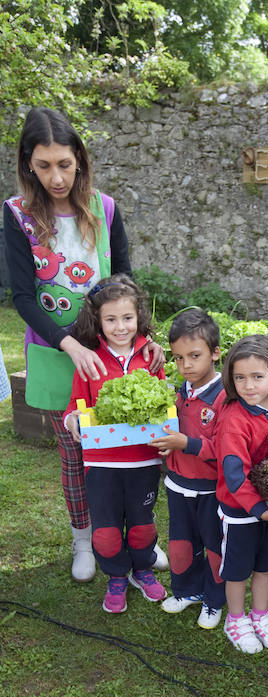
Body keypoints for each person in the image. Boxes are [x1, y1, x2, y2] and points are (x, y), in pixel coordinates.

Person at [3, 107, 165, 582]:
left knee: (133, 450)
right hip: (58, 357)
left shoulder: (105, 209)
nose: (56, 176)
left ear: (80, 161)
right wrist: (68, 344)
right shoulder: (17, 215)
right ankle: (86, 540)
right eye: (45, 165)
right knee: (77, 455)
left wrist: (145, 335)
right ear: (28, 164)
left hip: (116, 353)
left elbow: (126, 279)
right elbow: (22, 296)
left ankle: (138, 536)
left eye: (65, 164)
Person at [64, 276, 167, 613]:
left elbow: (163, 403)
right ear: (98, 321)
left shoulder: (151, 358)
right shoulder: (89, 360)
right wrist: (75, 421)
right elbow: (74, 406)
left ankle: (142, 569)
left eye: (127, 318)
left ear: (139, 318)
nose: (120, 327)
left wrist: (167, 431)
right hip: (102, 465)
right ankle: (116, 576)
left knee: (141, 524)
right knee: (106, 532)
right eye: (111, 319)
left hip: (143, 462)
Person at [149, 309, 227, 629]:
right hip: (178, 484)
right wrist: (170, 444)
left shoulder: (225, 398)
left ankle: (213, 599)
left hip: (210, 489)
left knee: (213, 547)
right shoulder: (181, 391)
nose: (186, 366)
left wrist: (186, 444)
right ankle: (186, 590)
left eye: (194, 356)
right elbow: (176, 432)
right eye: (178, 358)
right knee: (181, 544)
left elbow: (225, 452)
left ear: (215, 353)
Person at [216, 335, 268, 654]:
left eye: (257, 377)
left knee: (265, 563)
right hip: (241, 509)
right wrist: (258, 508)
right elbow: (234, 476)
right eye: (240, 378)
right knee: (237, 568)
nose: (248, 386)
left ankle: (260, 615)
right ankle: (235, 619)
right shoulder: (235, 419)